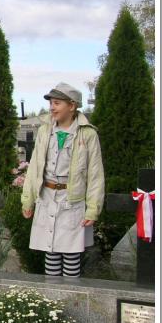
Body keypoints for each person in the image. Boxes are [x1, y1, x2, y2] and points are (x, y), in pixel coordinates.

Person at [21, 82, 104, 277]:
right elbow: (34, 168)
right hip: (47, 195)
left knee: (70, 251)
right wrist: (28, 198)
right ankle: (53, 298)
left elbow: (95, 174)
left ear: (72, 106)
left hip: (71, 199)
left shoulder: (87, 134)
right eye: (51, 103)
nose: (52, 107)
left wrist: (93, 208)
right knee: (51, 250)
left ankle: (69, 297)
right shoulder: (45, 131)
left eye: (57, 103)